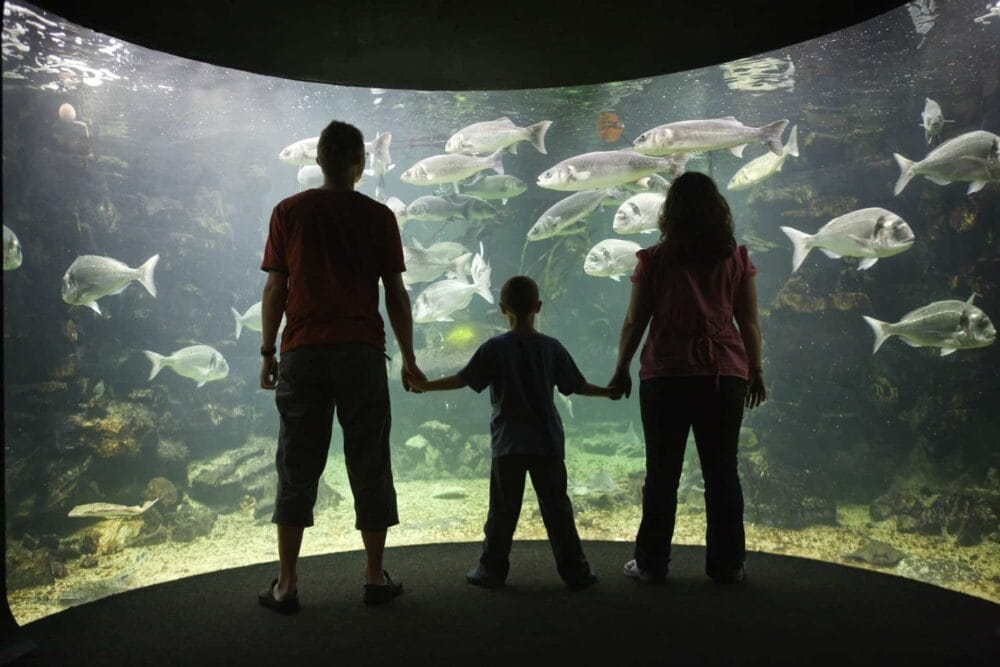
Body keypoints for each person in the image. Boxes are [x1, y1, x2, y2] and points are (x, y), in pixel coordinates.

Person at [257, 120, 425, 612]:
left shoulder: (288, 212)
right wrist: (409, 356)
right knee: (369, 460)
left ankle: (286, 585)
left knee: (296, 464)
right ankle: (374, 577)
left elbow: (275, 289)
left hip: (303, 353)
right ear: (360, 163)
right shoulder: (378, 216)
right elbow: (394, 292)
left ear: (318, 160)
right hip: (361, 353)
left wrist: (268, 352)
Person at [408, 275, 616, 590]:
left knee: (503, 512)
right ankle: (577, 573)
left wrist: (425, 385)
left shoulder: (494, 348)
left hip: (508, 444)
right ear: (538, 307)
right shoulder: (551, 347)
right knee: (558, 510)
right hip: (547, 442)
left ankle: (491, 571)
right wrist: (608, 392)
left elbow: (464, 379)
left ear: (503, 308)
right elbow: (576, 385)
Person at [608, 171, 766, 585]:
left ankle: (652, 563)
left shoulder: (655, 261)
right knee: (722, 474)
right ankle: (727, 566)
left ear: (669, 213)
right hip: (723, 375)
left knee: (661, 473)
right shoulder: (736, 259)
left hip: (666, 375)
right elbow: (748, 321)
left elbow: (634, 320)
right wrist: (756, 369)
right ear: (719, 211)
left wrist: (621, 368)